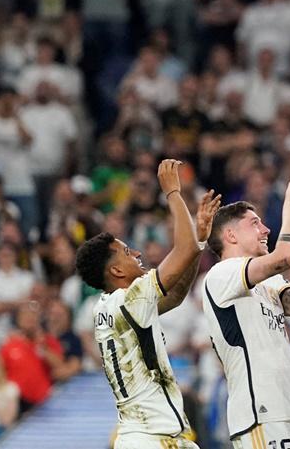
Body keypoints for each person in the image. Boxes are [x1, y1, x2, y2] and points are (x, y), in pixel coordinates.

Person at [73, 159, 220, 449]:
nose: (137, 252)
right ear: (115, 271)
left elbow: (176, 296)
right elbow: (184, 249)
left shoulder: (108, 306)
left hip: (153, 436)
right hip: (149, 438)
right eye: (127, 252)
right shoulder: (130, 298)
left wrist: (200, 240)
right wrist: (173, 194)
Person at [201, 174, 290, 449]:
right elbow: (287, 256)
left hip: (287, 409)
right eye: (255, 223)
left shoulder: (268, 282)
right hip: (260, 413)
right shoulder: (220, 274)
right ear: (230, 235)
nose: (265, 230)